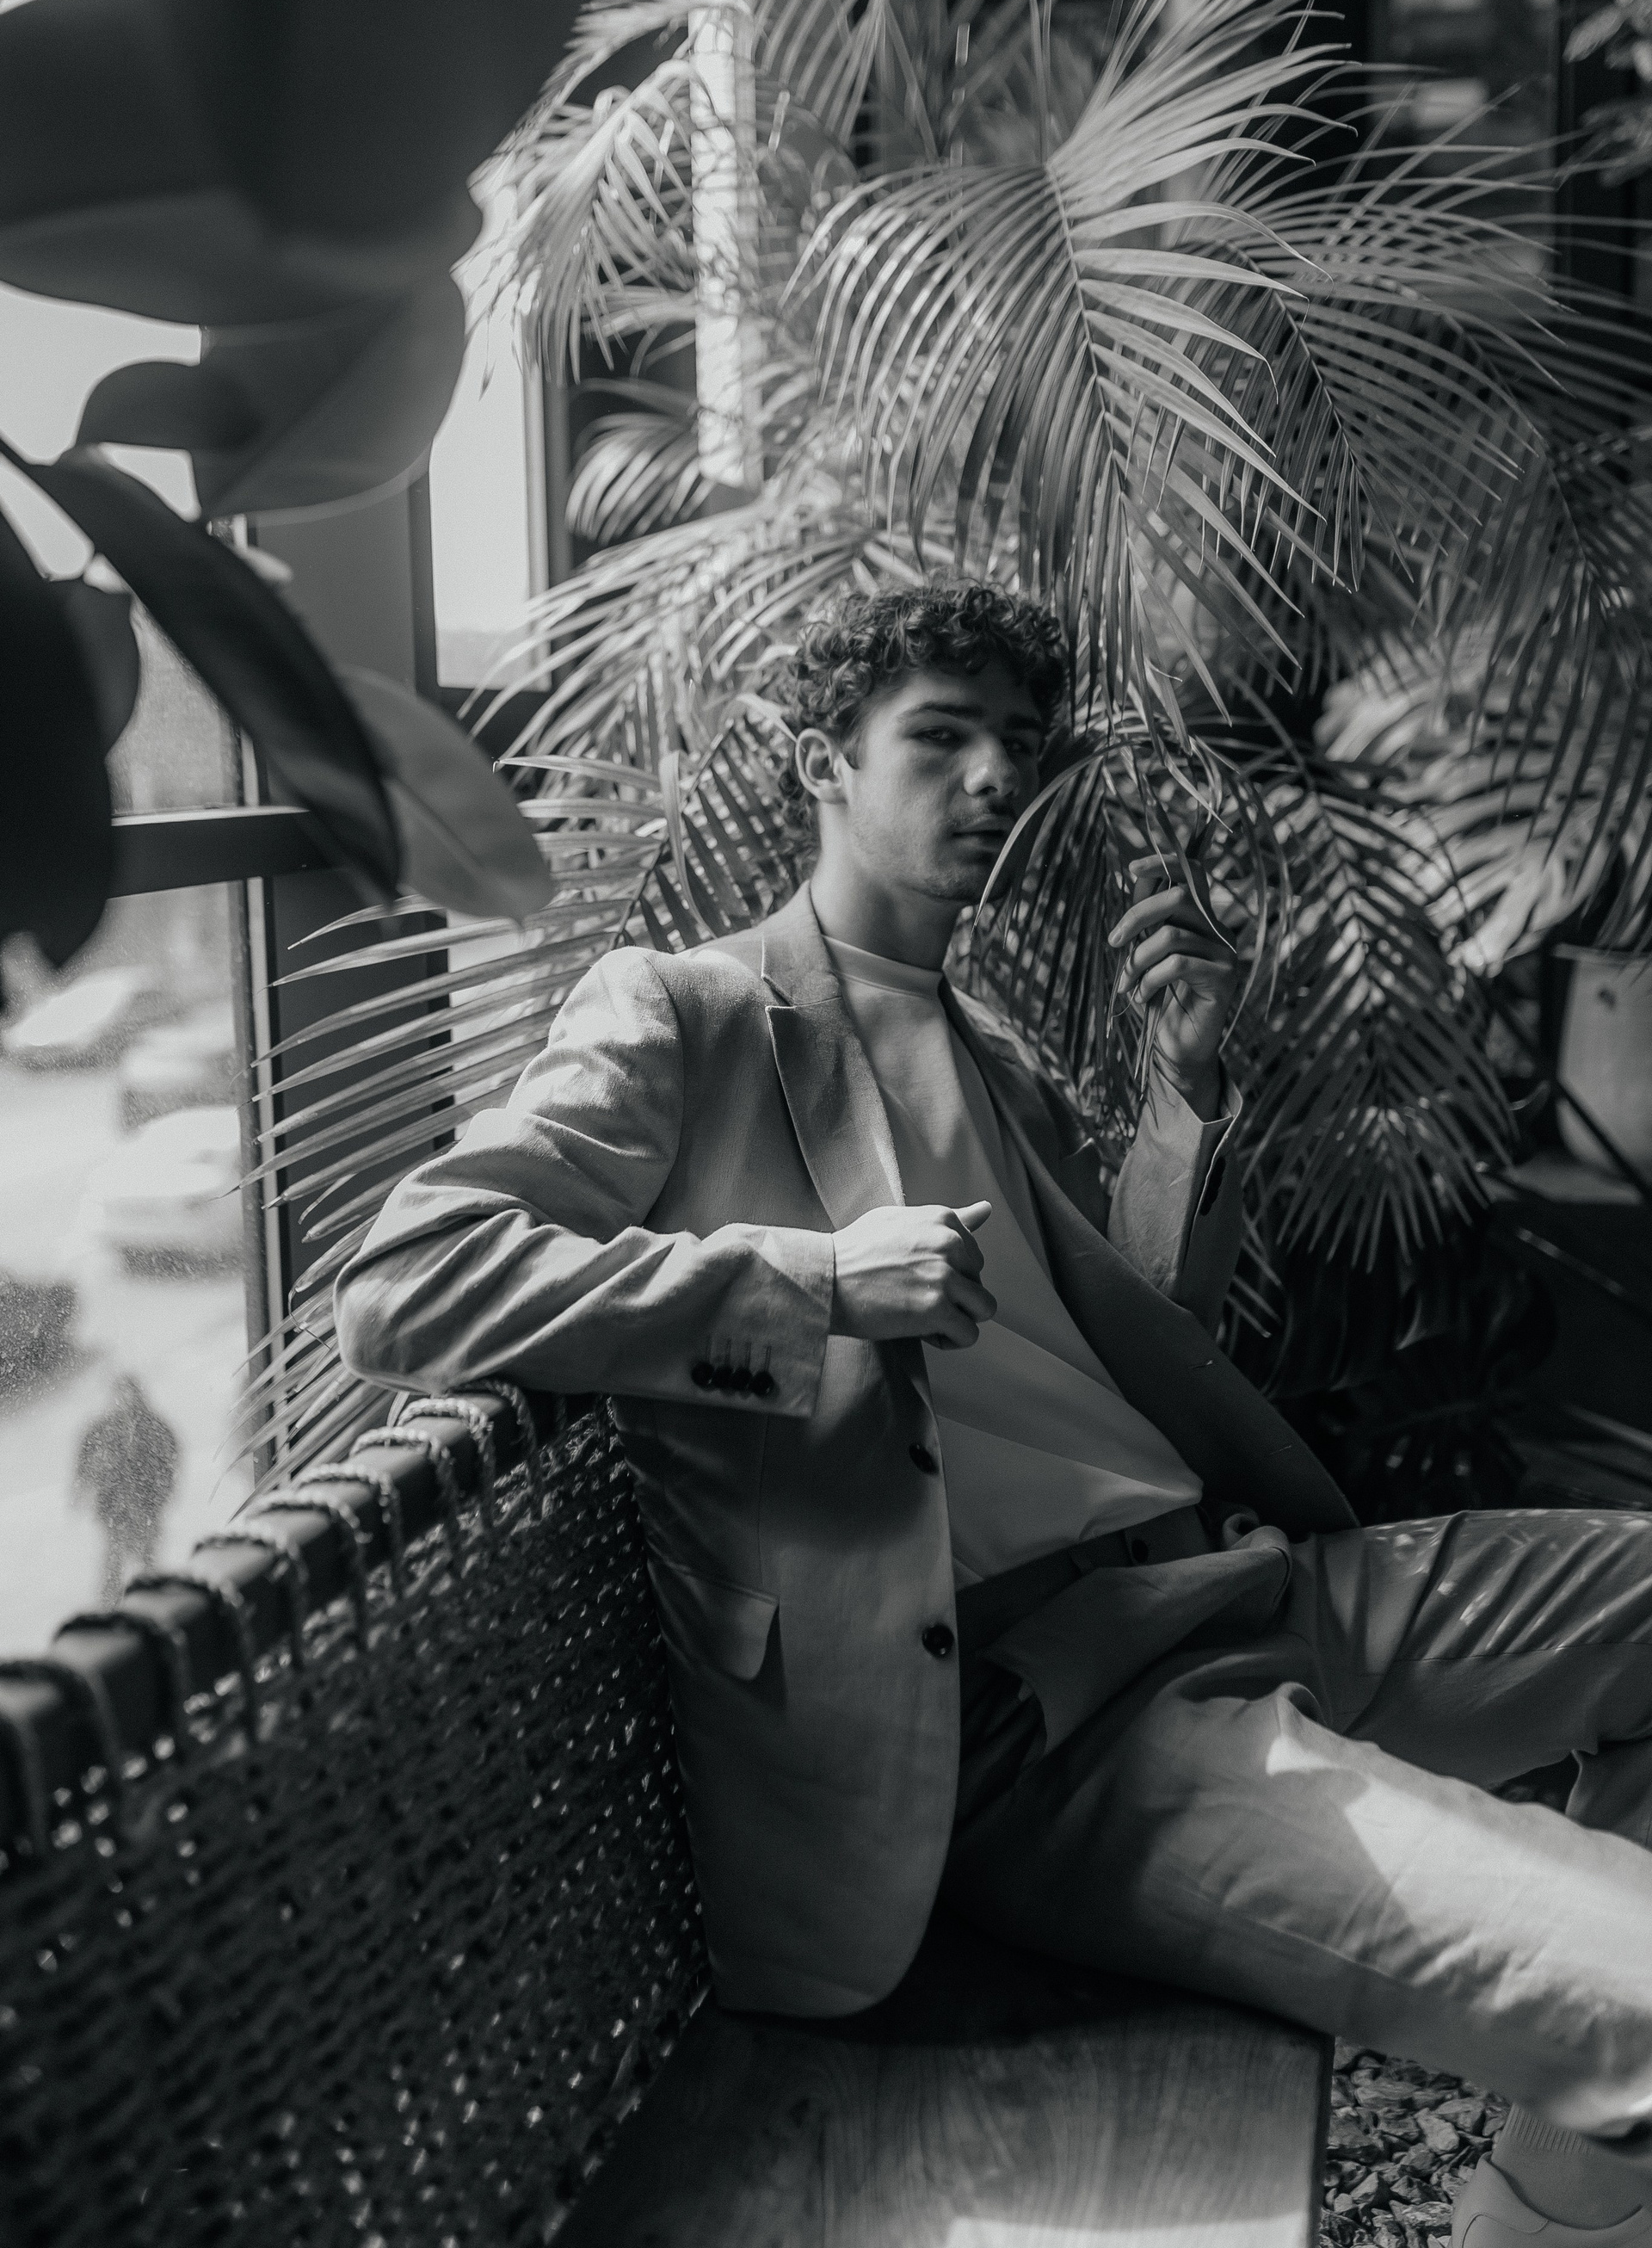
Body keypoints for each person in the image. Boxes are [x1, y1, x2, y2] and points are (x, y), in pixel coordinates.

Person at [336, 577, 1652, 2248]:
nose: (994, 779)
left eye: (1019, 743)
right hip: (1049, 1719)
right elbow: (407, 1283)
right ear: (823, 763)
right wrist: (814, 1282)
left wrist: (1184, 1094)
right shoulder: (687, 1010)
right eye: (939, 738)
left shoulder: (1000, 1054)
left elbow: (1128, 1358)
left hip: (1241, 1584)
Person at [71, 1373, 179, 1606]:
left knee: (147, 1554)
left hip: (146, 1505)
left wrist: (162, 1492)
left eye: (129, 1393)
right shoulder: (103, 1428)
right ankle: (109, 1605)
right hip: (114, 1507)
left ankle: (152, 1597)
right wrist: (81, 1486)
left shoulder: (153, 1427)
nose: (125, 1400)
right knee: (115, 1556)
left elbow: (169, 1460)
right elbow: (85, 1458)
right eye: (120, 1394)